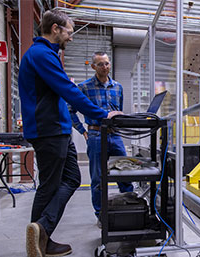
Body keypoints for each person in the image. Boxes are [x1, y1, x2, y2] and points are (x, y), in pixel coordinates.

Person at [20, 10, 122, 257]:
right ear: (55, 28)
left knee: (72, 178)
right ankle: (40, 237)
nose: (71, 37)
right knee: (49, 186)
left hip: (58, 129)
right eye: (69, 30)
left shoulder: (48, 54)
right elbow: (68, 90)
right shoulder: (41, 54)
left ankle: (42, 231)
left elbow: (61, 90)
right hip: (49, 130)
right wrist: (101, 114)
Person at [69, 52, 134, 226]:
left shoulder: (118, 87)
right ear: (93, 67)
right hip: (96, 135)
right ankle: (101, 214)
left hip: (115, 135)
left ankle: (129, 207)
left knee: (125, 171)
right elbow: (70, 110)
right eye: (100, 64)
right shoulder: (84, 87)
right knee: (98, 177)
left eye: (106, 63)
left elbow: (117, 111)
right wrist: (83, 130)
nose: (104, 67)